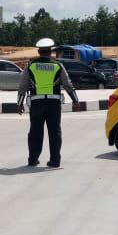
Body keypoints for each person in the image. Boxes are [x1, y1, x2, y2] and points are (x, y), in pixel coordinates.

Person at [17, 38, 80, 167]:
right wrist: (75, 101)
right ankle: (55, 161)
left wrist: (19, 103)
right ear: (50, 52)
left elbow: (22, 86)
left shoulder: (31, 66)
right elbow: (68, 84)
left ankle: (33, 159)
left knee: (35, 132)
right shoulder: (57, 65)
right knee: (55, 132)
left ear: (39, 52)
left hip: (36, 104)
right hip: (54, 104)